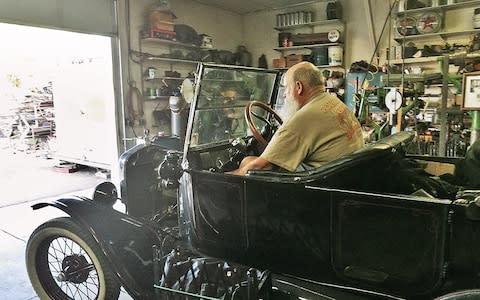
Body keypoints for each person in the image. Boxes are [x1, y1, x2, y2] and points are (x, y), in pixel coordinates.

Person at [229, 62, 363, 176]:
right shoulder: (332, 101)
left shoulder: (303, 118)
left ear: (299, 87)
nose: (285, 95)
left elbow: (259, 167)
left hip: (320, 181)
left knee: (249, 165)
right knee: (247, 161)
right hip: (343, 173)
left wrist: (223, 177)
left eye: (286, 88)